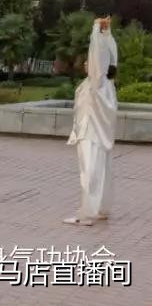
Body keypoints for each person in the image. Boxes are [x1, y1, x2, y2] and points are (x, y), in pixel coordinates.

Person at [64, 17, 118, 226]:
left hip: (91, 134)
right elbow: (110, 55)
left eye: (90, 61)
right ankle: (100, 208)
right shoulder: (107, 85)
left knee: (89, 173)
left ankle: (87, 213)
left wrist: (96, 29)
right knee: (102, 172)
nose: (87, 62)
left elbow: (98, 56)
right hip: (99, 136)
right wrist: (107, 33)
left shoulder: (98, 83)